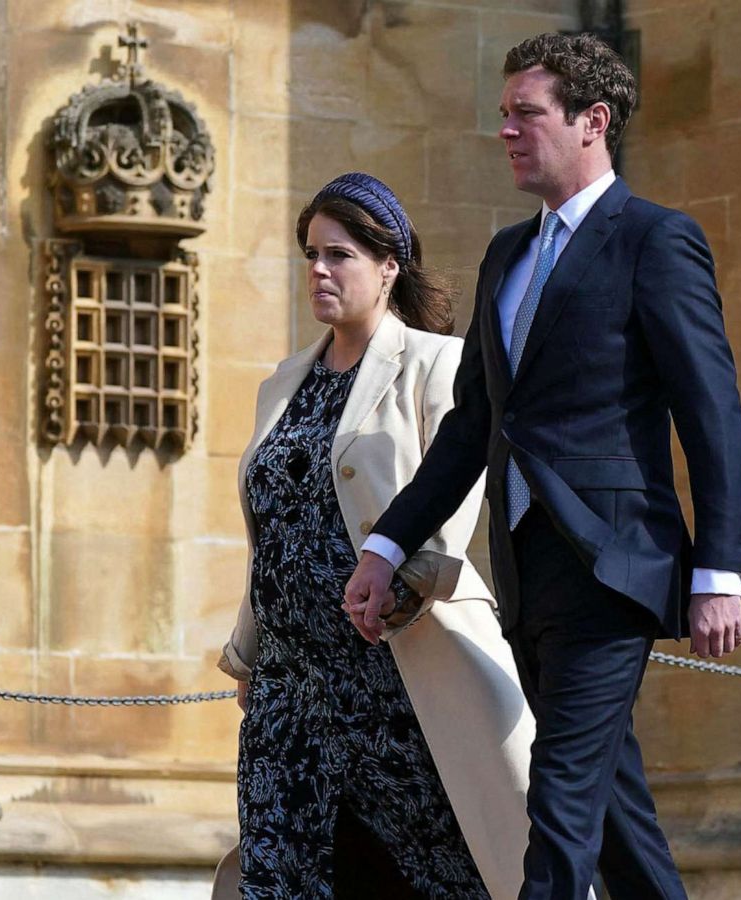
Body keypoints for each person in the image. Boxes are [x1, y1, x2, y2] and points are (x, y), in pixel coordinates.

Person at [343, 33, 741, 900]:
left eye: (526, 114)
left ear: (592, 122)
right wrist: (386, 547)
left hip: (616, 567)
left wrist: (722, 568)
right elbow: (472, 428)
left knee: (560, 810)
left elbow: (709, 410)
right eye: (504, 115)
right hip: (527, 572)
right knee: (612, 817)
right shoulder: (505, 255)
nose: (507, 131)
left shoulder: (656, 241)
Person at [215, 172, 536, 899]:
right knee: (281, 878)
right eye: (310, 255)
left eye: (339, 255)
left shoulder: (435, 364)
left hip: (390, 677)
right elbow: (270, 530)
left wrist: (406, 581)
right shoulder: (283, 382)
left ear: (389, 265)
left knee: (432, 876)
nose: (319, 272)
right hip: (288, 692)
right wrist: (250, 652)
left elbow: (450, 504)